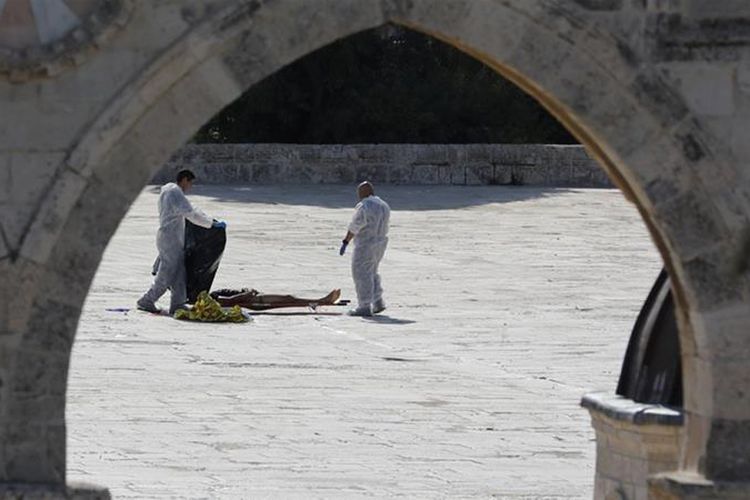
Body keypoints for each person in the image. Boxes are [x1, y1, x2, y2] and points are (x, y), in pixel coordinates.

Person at [137, 170, 226, 314]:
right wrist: (211, 224)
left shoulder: (169, 190)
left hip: (171, 238)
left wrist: (210, 220)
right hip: (170, 239)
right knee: (166, 273)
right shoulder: (174, 192)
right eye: (190, 182)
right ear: (184, 179)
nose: (190, 186)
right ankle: (147, 300)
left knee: (179, 272)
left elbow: (191, 209)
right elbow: (190, 213)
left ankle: (177, 304)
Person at [339, 181, 390, 316]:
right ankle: (378, 301)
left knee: (361, 274)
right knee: (372, 272)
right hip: (380, 243)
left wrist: (346, 241)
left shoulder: (365, 206)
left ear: (364, 192)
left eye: (359, 192)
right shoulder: (384, 205)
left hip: (366, 244)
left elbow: (355, 225)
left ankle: (364, 306)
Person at [210, 288, 342, 311]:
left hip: (255, 297)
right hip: (256, 300)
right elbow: (227, 301)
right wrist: (247, 294)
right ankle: (323, 300)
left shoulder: (216, 293)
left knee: (290, 299)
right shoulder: (214, 296)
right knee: (289, 299)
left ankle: (322, 300)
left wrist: (247, 291)